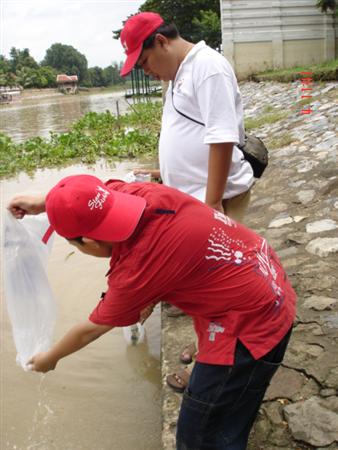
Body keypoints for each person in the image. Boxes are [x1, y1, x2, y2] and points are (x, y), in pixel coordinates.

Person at [8, 174, 296, 450]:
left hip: (252, 325)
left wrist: (50, 358)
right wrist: (45, 201)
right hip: (260, 269)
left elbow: (89, 330)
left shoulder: (137, 269)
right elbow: (85, 194)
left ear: (89, 243)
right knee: (233, 407)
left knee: (200, 439)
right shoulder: (137, 194)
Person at [119, 11, 256, 382]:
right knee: (202, 287)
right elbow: (188, 132)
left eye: (144, 61)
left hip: (216, 201)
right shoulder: (178, 75)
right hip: (194, 200)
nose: (145, 70)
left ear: (161, 41)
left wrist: (212, 205)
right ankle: (207, 352)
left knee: (217, 287)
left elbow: (222, 137)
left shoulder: (207, 68)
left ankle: (218, 370)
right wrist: (163, 173)